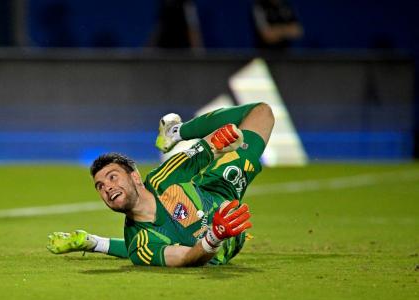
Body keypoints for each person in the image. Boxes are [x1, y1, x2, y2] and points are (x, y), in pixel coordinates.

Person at [47, 103, 274, 267]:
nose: (106, 187)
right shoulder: (140, 244)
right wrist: (214, 236)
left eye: (113, 177)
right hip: (220, 241)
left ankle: (176, 131)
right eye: (100, 186)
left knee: (261, 113)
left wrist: (219, 140)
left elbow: (207, 147)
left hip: (220, 189)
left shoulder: (163, 178)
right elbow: (187, 258)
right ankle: (94, 242)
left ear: (135, 176)